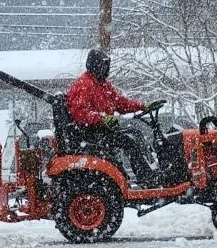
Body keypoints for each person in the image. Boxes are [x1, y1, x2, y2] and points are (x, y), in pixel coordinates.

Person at [66, 49, 155, 187]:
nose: (107, 69)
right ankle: (148, 180)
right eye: (104, 65)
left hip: (103, 130)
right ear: (95, 65)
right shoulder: (84, 84)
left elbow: (120, 103)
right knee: (128, 141)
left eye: (107, 65)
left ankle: (150, 170)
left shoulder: (103, 84)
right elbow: (79, 112)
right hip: (90, 134)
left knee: (135, 134)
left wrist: (143, 106)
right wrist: (101, 118)